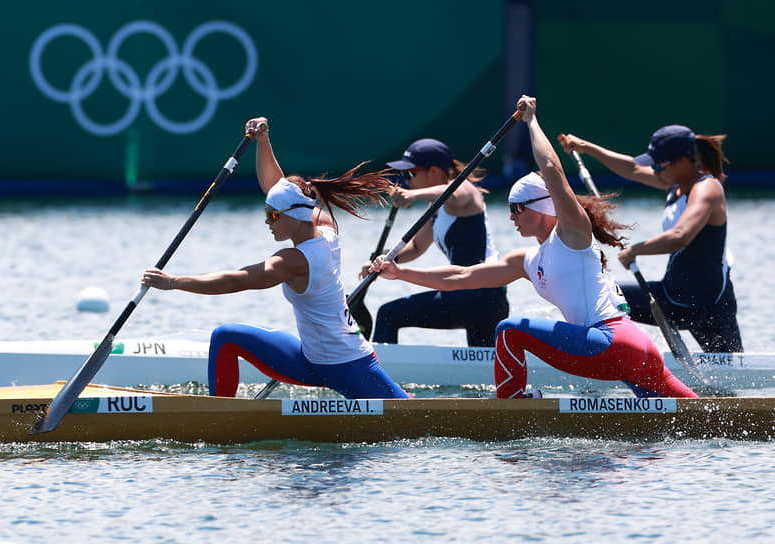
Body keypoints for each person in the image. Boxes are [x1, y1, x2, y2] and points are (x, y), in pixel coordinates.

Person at [370, 95, 697, 399]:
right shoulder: (526, 260)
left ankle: (512, 406)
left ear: (541, 207)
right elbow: (461, 277)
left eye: (517, 208)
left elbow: (553, 172)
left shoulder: (571, 234)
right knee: (696, 418)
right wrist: (399, 273)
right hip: (634, 349)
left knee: (510, 330)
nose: (512, 217)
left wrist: (532, 122)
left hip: (610, 341)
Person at [141, 117, 409, 400]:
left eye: (271, 215)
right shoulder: (325, 227)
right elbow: (277, 188)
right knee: (225, 337)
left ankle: (216, 420)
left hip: (348, 365)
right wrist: (263, 140)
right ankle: (220, 417)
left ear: (293, 216)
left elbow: (238, 279)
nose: (267, 221)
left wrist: (174, 282)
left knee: (408, 412)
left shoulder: (293, 261)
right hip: (310, 360)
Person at [559, 125, 743, 353]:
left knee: (732, 382)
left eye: (658, 165)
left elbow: (680, 236)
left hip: (708, 304)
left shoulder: (708, 189)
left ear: (683, 161)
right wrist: (585, 148)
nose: (654, 170)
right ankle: (599, 354)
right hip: (672, 295)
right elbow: (632, 168)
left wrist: (635, 251)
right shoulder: (675, 184)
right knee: (600, 295)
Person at [361, 137, 509, 347]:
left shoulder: (465, 191)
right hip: (476, 297)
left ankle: (378, 377)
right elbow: (416, 247)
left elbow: (454, 192)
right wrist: (382, 261)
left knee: (388, 314)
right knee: (484, 372)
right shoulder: (436, 207)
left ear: (434, 171)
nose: (407, 180)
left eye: (410, 173)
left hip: (479, 293)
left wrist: (411, 195)